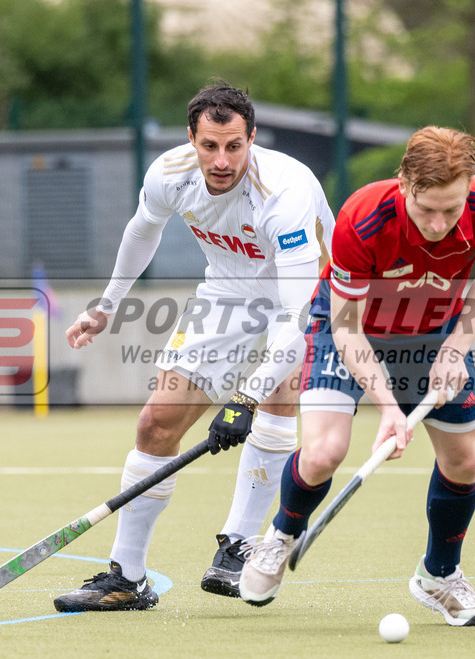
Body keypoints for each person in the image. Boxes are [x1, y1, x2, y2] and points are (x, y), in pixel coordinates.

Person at [54, 82, 335, 611]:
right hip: (226, 290)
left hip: (305, 291)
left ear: (252, 137)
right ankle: (126, 579)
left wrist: (245, 399)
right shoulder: (170, 173)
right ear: (192, 139)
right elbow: (143, 231)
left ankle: (237, 545)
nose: (222, 160)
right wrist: (106, 305)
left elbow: (295, 320)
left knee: (276, 398)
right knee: (155, 423)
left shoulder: (284, 194)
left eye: (234, 145)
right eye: (210, 146)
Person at [238, 126, 475, 627]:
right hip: (348, 326)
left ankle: (439, 575)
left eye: (451, 210)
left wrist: (456, 348)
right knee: (325, 452)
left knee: (463, 460)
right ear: (403, 182)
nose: (438, 224)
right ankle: (281, 535)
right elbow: (347, 328)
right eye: (426, 209)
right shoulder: (365, 217)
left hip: (433, 332)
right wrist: (389, 408)